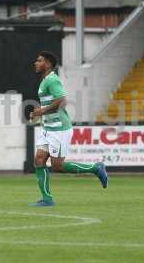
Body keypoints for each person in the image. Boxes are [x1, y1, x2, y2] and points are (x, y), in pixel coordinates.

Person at [30, 51, 108, 207]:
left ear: (48, 64)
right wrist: (39, 112)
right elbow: (51, 103)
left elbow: (62, 101)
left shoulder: (52, 80)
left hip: (59, 128)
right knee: (39, 160)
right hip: (48, 128)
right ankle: (47, 199)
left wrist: (42, 111)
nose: (35, 63)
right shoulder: (45, 80)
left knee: (58, 166)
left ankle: (95, 168)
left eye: (39, 60)